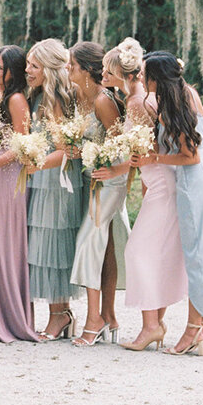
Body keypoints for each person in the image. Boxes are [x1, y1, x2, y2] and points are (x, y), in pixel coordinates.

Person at [137, 52, 203, 356]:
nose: (140, 77)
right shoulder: (187, 92)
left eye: (144, 73)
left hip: (195, 183)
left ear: (156, 77)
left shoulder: (171, 105)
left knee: (196, 257)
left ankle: (193, 329)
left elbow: (189, 155)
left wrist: (153, 158)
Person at [95, 38, 188, 351]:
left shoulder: (136, 103)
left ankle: (150, 326)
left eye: (107, 71)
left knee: (138, 251)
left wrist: (116, 169)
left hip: (161, 182)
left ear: (123, 73)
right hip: (161, 180)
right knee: (155, 253)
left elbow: (145, 152)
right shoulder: (141, 97)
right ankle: (156, 323)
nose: (103, 75)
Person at [0, 45, 38, 343]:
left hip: (6, 176)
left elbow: (21, 146)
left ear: (13, 69)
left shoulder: (16, 99)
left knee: (6, 240)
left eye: (0, 67)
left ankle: (11, 315)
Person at [68, 40, 129, 346]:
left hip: (109, 179)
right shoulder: (78, 95)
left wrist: (111, 170)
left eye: (72, 65)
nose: (68, 69)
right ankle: (108, 316)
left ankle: (94, 321)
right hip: (92, 176)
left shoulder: (104, 101)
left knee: (89, 240)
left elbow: (123, 148)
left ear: (87, 70)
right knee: (103, 245)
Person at [24, 38, 83, 340]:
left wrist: (36, 164)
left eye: (34, 65)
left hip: (57, 182)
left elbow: (66, 150)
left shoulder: (56, 101)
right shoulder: (38, 98)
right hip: (45, 179)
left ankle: (60, 315)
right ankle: (61, 313)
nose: (28, 70)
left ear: (49, 68)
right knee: (46, 247)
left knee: (53, 248)